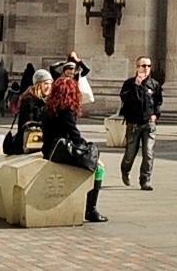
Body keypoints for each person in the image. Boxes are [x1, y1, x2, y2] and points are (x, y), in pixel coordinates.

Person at [41, 77, 108, 223]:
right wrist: (90, 150)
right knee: (98, 167)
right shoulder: (66, 110)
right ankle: (91, 210)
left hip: (49, 151)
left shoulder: (48, 108)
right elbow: (74, 136)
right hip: (61, 152)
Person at [119, 56, 163, 191]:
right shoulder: (129, 83)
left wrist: (156, 114)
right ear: (137, 67)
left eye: (149, 66)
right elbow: (125, 99)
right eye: (143, 66)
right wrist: (136, 86)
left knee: (148, 153)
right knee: (130, 154)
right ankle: (125, 171)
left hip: (148, 123)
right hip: (133, 124)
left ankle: (145, 180)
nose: (146, 69)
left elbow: (158, 101)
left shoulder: (154, 84)